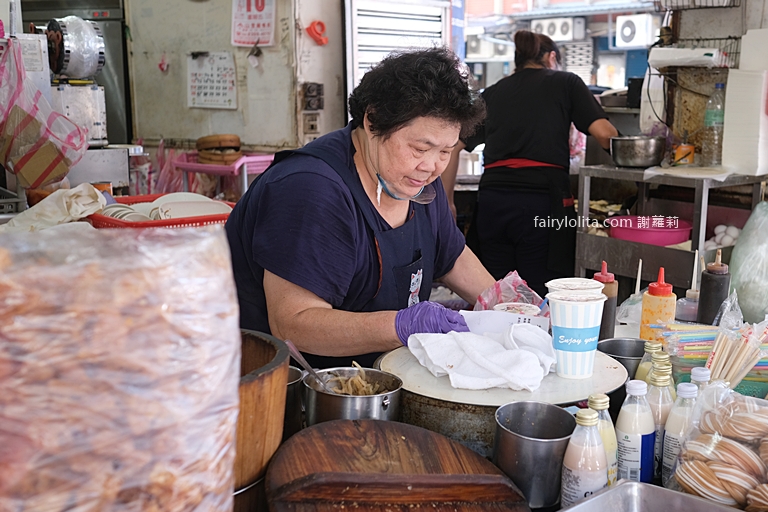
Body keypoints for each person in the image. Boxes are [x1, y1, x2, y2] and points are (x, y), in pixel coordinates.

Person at [225, 47, 495, 368]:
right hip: (285, 382)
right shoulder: (311, 189)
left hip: (379, 375)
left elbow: (452, 256)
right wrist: (400, 326)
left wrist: (504, 301)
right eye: (420, 148)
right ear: (372, 120)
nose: (431, 166)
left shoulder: (417, 180)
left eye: (445, 152)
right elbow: (292, 324)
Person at [450, 30, 618, 297]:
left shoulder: (492, 93)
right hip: (544, 205)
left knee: (496, 291)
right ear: (551, 58)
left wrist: (448, 201)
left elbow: (453, 146)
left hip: (493, 205)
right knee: (543, 291)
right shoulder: (567, 83)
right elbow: (606, 136)